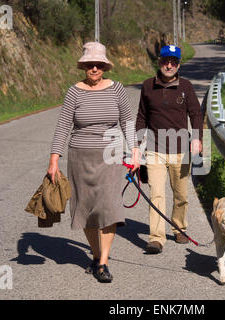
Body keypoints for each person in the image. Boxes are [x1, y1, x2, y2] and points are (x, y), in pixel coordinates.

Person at [47, 42, 140, 282]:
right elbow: (62, 128)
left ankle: (103, 262)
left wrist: (136, 151)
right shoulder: (74, 92)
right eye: (90, 65)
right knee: (86, 209)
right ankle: (97, 256)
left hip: (111, 155)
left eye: (99, 64)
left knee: (108, 207)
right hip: (80, 156)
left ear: (105, 66)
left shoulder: (117, 89)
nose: (95, 69)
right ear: (84, 67)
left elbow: (128, 123)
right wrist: (54, 160)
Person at [135, 45, 203, 254]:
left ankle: (179, 227)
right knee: (156, 193)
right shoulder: (147, 86)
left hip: (181, 150)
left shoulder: (186, 86)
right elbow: (141, 118)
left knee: (181, 194)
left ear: (178, 64)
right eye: (166, 61)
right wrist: (136, 147)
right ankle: (156, 238)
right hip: (155, 149)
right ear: (159, 62)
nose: (169, 65)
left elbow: (196, 115)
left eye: (173, 62)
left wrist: (197, 139)